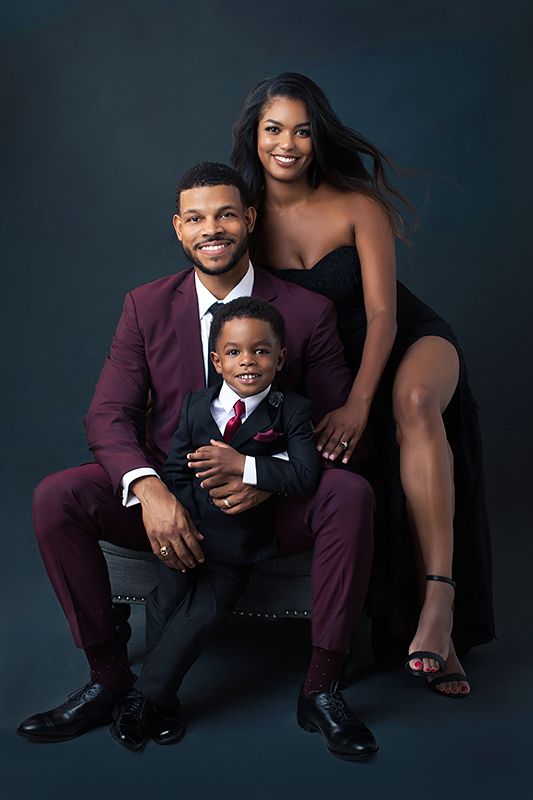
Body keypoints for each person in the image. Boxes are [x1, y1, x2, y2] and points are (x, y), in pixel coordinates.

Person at [18, 162, 377, 760]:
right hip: (173, 488)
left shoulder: (306, 312)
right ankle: (110, 679)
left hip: (269, 502)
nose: (213, 229)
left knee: (350, 493)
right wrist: (152, 492)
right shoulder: (145, 306)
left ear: (249, 221)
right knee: (57, 496)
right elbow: (107, 415)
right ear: (179, 230)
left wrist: (265, 479)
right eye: (197, 218)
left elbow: (338, 424)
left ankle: (322, 687)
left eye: (226, 214)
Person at [232, 72, 495, 697]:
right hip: (332, 365)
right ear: (255, 136)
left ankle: (440, 609)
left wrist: (357, 403)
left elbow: (383, 315)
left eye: (302, 130)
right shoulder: (243, 218)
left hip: (408, 340)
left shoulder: (357, 207)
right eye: (274, 129)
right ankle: (376, 620)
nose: (287, 143)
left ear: (318, 138)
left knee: (414, 401)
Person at [110, 297, 325, 752]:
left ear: (280, 357)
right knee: (162, 605)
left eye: (261, 351)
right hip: (188, 533)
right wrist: (182, 519)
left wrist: (245, 464)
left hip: (237, 547)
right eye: (234, 352)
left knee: (195, 618)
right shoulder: (194, 406)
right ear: (217, 361)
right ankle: (163, 703)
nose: (248, 361)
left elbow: (306, 475)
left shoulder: (293, 411)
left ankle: (140, 703)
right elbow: (175, 471)